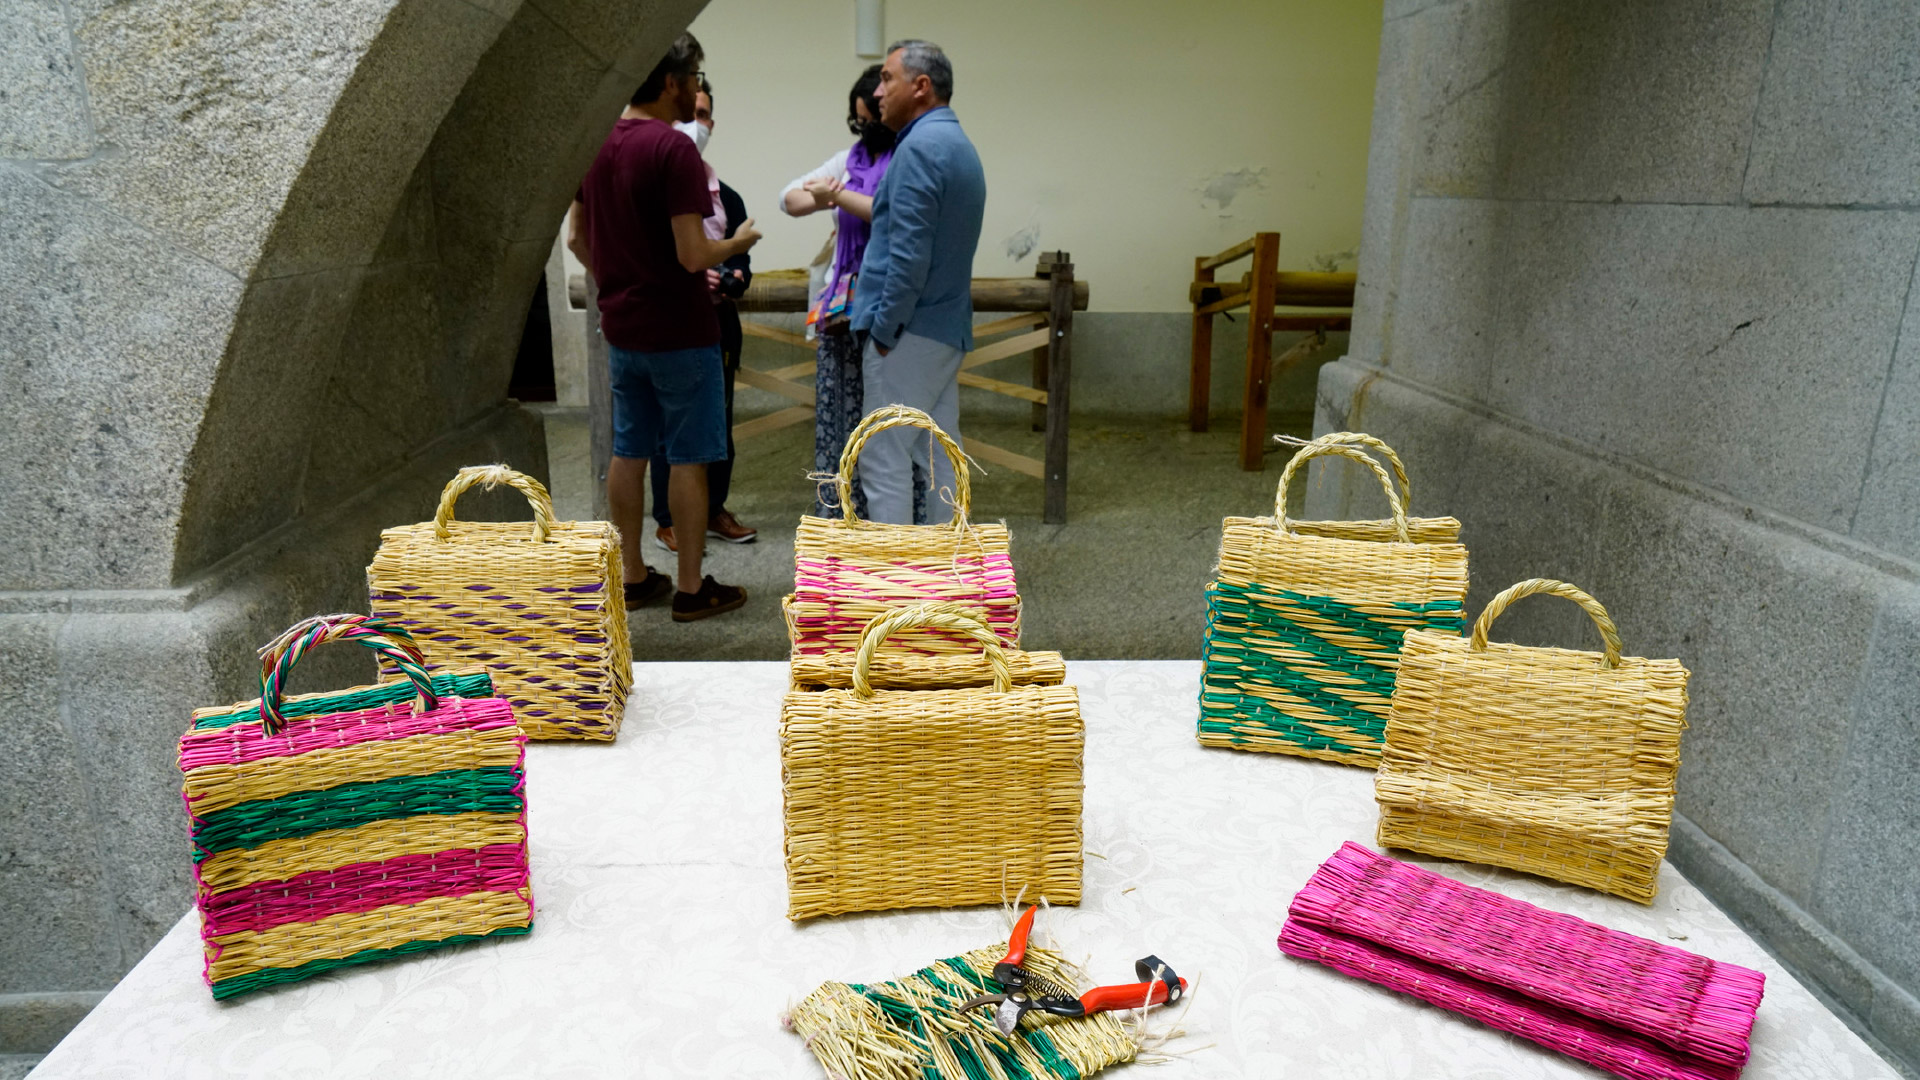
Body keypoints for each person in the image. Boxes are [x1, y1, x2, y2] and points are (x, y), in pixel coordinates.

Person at [569, 33, 757, 621]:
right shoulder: (673, 151)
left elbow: (577, 238)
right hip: (680, 330)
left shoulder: (594, 141)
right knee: (688, 458)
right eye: (696, 78)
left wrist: (620, 283)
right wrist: (740, 241)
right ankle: (692, 588)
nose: (699, 90)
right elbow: (693, 255)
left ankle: (631, 576)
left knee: (629, 450)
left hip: (623, 329)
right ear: (672, 81)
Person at [851, 40, 987, 526]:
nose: (878, 90)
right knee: (937, 455)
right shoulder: (955, 143)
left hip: (909, 332)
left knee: (883, 457)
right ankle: (943, 569)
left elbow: (908, 258)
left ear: (921, 86)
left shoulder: (919, 149)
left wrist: (885, 331)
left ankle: (898, 582)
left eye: (888, 78)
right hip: (943, 326)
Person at [778, 65, 900, 519]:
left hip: (888, 311)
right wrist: (821, 195)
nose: (864, 128)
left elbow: (887, 212)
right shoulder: (847, 160)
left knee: (885, 422)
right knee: (840, 417)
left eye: (871, 119)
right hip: (841, 311)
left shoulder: (907, 158)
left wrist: (836, 197)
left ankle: (889, 522)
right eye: (859, 120)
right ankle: (842, 519)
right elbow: (788, 198)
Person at [650, 78, 757, 554]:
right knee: (665, 427)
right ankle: (670, 518)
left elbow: (741, 261)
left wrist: (731, 277)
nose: (697, 124)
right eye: (688, 112)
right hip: (669, 326)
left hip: (717, 326)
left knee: (719, 423)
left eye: (704, 115)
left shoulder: (726, 196)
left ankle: (713, 508)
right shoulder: (651, 187)